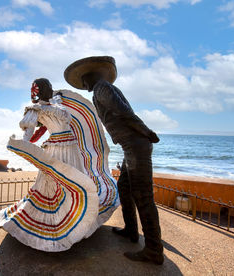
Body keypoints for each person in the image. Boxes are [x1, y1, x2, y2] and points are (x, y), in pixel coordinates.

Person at [64, 56, 164, 265]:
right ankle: (131, 230)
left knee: (143, 196)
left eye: (84, 79)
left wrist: (146, 131)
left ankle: (154, 249)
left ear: (92, 77)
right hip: (130, 145)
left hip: (136, 144)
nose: (83, 84)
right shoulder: (102, 89)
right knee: (125, 188)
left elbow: (124, 112)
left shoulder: (102, 88)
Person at [0, 78, 99, 252]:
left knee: (74, 182)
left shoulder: (56, 103)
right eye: (48, 87)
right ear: (43, 89)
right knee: (55, 186)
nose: (51, 89)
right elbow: (28, 137)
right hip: (57, 150)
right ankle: (58, 228)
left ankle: (77, 223)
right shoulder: (35, 110)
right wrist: (23, 146)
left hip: (71, 148)